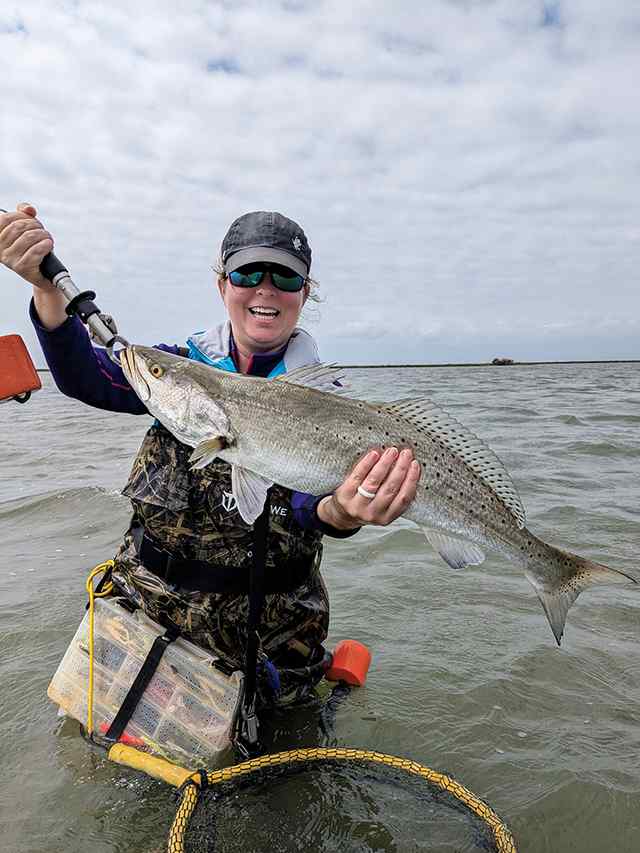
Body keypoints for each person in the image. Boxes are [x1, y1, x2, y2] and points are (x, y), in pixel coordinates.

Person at [0, 203, 421, 705]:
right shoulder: (180, 369)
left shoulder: (332, 404)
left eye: (285, 278)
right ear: (223, 285)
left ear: (304, 294)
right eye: (247, 272)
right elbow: (85, 377)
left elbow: (314, 508)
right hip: (149, 613)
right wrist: (47, 288)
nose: (264, 289)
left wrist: (346, 513)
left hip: (275, 638)